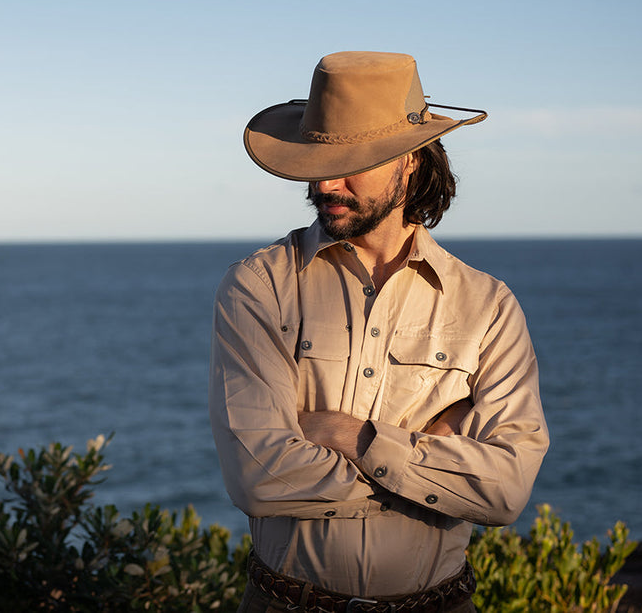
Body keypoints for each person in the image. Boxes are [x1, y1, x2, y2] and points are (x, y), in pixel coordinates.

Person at [209, 51, 549, 613]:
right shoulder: (258, 286)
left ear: (411, 160)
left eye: (353, 161)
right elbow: (258, 477)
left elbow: (506, 489)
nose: (326, 183)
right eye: (317, 160)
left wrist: (351, 436)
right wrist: (433, 463)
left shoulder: (487, 306)